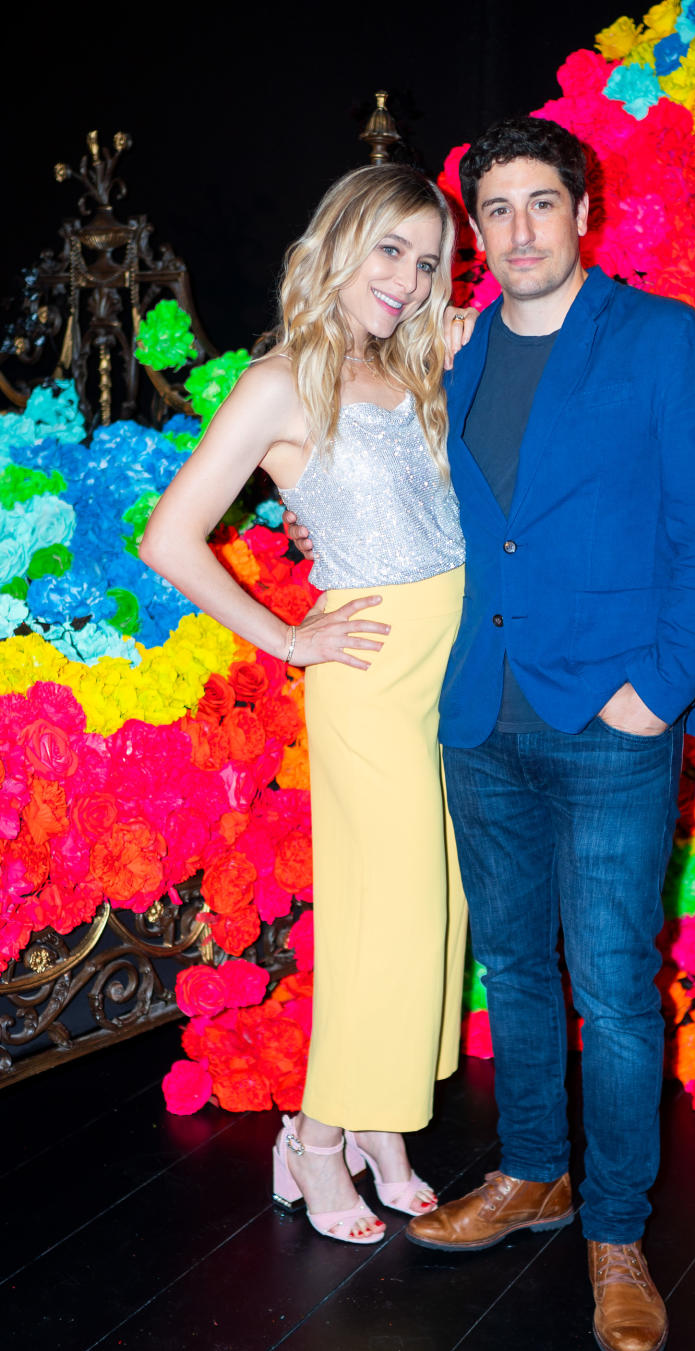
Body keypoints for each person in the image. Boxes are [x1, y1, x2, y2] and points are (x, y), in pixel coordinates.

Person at [287, 115, 695, 1351]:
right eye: (495, 212)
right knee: (513, 969)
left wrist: (655, 691)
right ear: (475, 236)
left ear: (582, 213)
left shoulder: (665, 342)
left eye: (541, 204)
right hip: (473, 715)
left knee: (611, 983)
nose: (519, 230)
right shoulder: (455, 350)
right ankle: (534, 1175)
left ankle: (615, 1232)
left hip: (614, 720)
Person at [141, 164, 476, 1245]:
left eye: (427, 262)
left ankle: (383, 1129)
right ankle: (317, 1138)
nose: (409, 278)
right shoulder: (279, 383)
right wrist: (288, 637)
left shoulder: (418, 364)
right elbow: (169, 537)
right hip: (370, 677)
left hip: (452, 669)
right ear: (337, 243)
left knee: (440, 914)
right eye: (390, 250)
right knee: (393, 922)